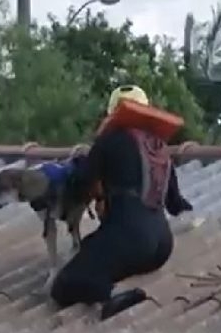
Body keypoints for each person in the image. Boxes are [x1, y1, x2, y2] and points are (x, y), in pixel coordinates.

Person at [50, 85, 194, 320]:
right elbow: (176, 203)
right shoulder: (159, 148)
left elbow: (80, 187)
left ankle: (117, 293)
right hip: (161, 245)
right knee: (93, 248)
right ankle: (123, 281)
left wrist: (69, 174)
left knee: (64, 285)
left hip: (129, 238)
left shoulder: (110, 141)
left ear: (113, 112)